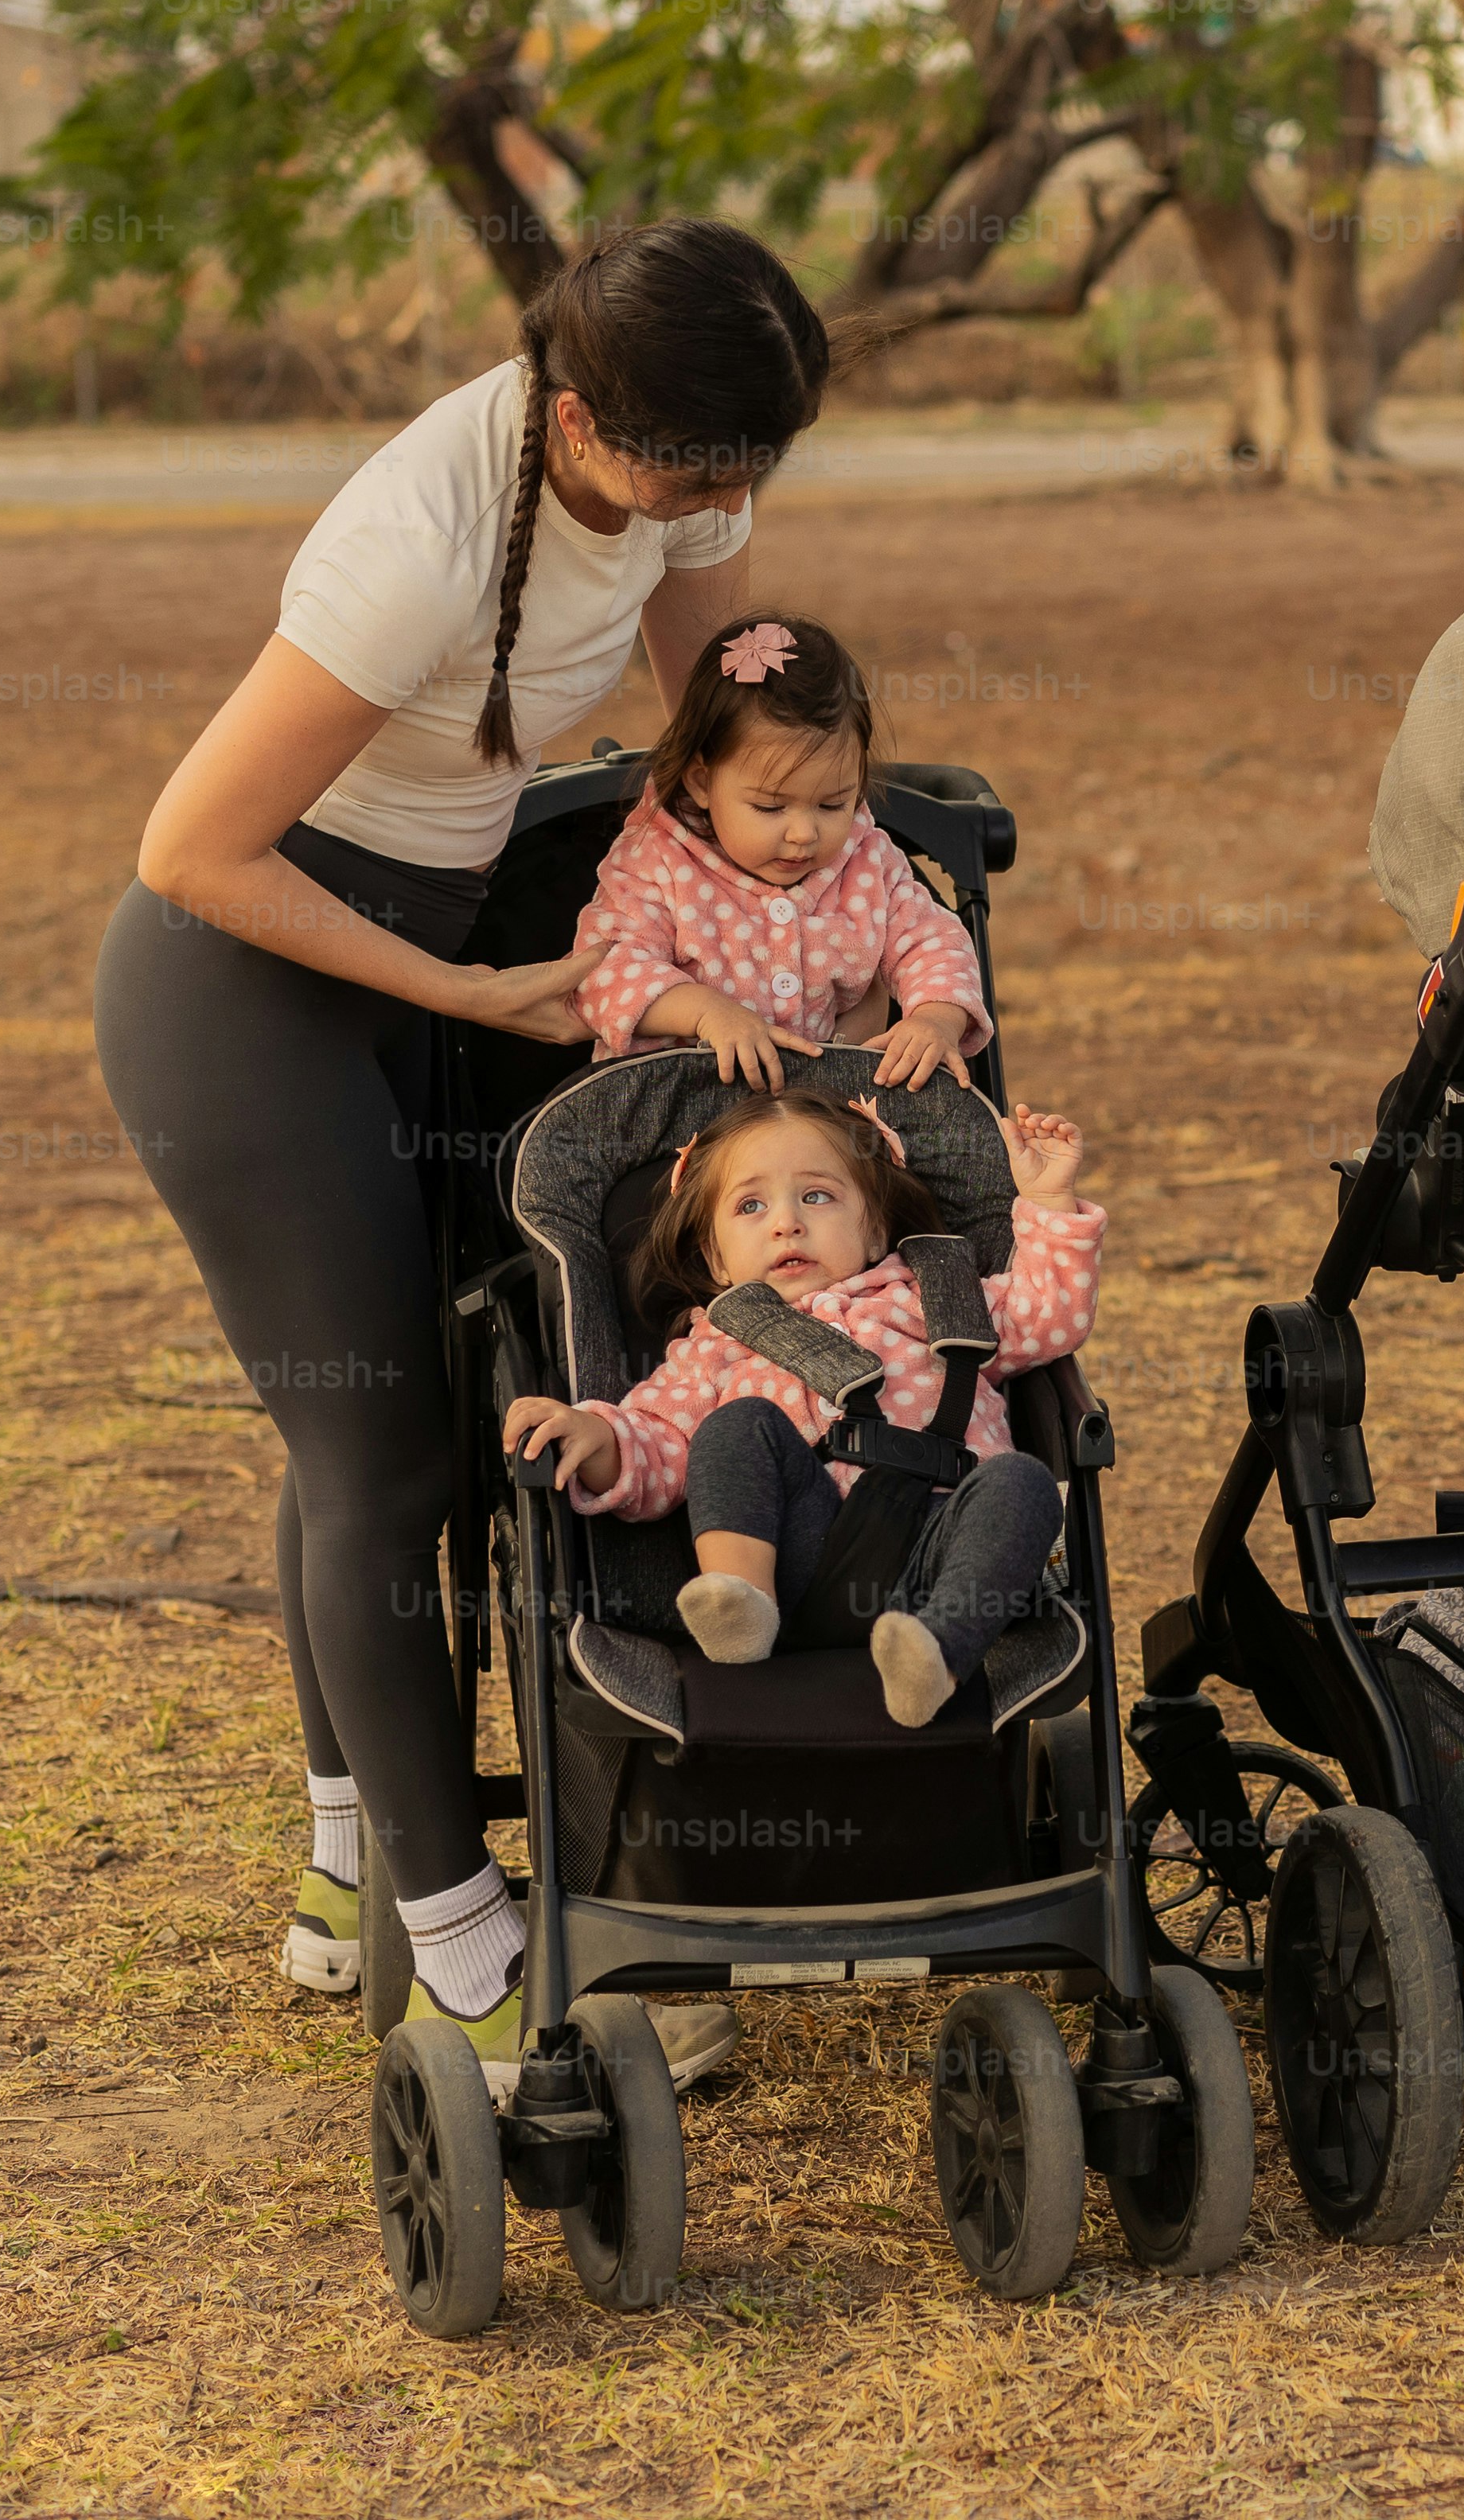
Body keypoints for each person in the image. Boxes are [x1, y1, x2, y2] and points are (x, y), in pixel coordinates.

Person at [93, 216, 830, 2089]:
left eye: (755, 467)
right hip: (248, 986)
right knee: (384, 1453)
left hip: (436, 953)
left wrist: (820, 868)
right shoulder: (416, 543)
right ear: (580, 417)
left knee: (389, 1399)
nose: (724, 501)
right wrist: (453, 988)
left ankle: (343, 1864)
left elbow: (708, 715)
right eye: (695, 469)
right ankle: (461, 1946)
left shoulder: (677, 463)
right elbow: (193, 848)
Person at [502, 1093, 1100, 1730]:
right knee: (735, 1426)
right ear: (715, 1258)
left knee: (1023, 1483)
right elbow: (657, 1442)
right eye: (751, 1206)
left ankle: (936, 1656)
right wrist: (594, 1434)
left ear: (874, 1228)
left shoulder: (939, 1299)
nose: (785, 1223)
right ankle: (740, 1602)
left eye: (817, 1197)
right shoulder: (718, 1344)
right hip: (796, 1563)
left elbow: (1048, 1312)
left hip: (940, 1553)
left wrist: (1050, 1200)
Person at [571, 609, 990, 1086]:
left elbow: (933, 944)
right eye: (771, 808)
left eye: (832, 805)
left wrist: (936, 1018)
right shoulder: (657, 862)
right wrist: (707, 1013)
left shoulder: (866, 863)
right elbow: (603, 971)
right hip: (681, 1108)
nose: (803, 834)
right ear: (702, 782)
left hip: (825, 1110)